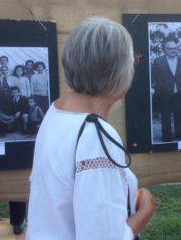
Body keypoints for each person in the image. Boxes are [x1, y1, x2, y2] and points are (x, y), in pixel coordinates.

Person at [27, 16, 155, 240]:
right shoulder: (94, 136)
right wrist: (146, 211)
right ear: (116, 71)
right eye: (132, 61)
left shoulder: (58, 110)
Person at [151, 38, 181, 141]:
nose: (172, 50)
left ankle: (179, 135)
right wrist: (152, 87)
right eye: (170, 48)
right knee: (165, 116)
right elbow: (153, 76)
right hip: (164, 93)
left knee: (179, 115)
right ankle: (167, 137)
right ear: (165, 49)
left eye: (174, 48)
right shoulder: (158, 61)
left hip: (178, 92)